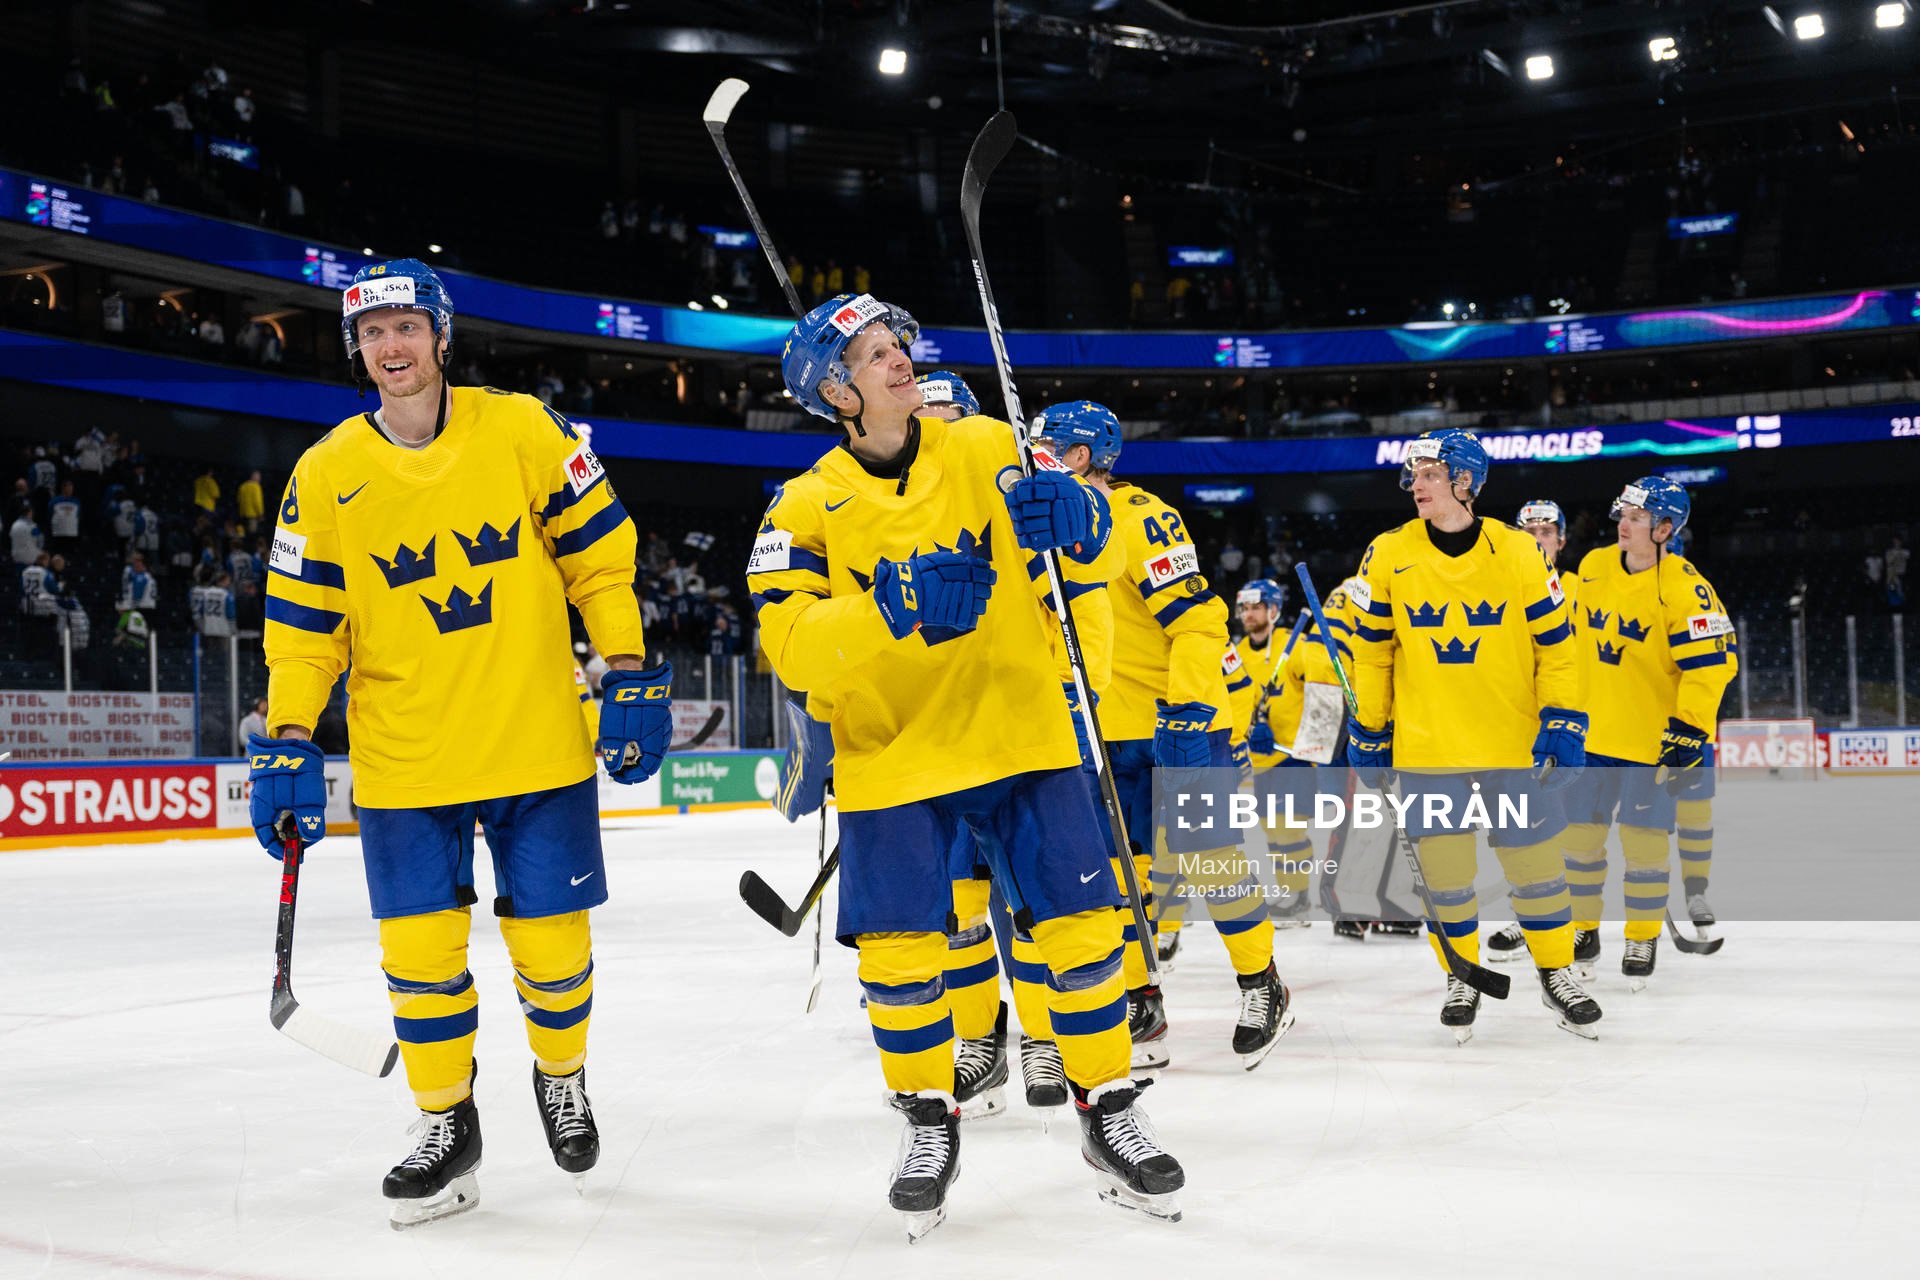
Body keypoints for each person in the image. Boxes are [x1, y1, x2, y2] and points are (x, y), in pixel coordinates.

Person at [249, 258, 672, 1229]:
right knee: (419, 959)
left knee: (555, 951)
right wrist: (284, 735)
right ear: (357, 349)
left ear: (442, 336)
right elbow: (306, 629)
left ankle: (560, 1078)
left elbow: (600, 556)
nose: (390, 347)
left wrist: (629, 665)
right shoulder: (325, 474)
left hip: (538, 748)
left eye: (405, 326)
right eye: (371, 332)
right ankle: (448, 1120)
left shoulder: (523, 428)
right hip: (405, 764)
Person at [749, 295, 1184, 1236]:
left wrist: (1079, 519)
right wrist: (885, 609)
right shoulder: (800, 507)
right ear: (834, 389)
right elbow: (788, 642)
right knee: (907, 960)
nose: (898, 360)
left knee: (1081, 932)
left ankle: (1108, 1107)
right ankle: (926, 1118)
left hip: (1019, 732)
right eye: (871, 355)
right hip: (893, 758)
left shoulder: (988, 445)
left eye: (896, 345)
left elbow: (1087, 550)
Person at [1030, 400, 1288, 1071]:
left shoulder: (1139, 516)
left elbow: (1200, 620)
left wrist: (1187, 711)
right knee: (1120, 872)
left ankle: (1263, 984)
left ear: (1080, 457)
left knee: (1211, 860)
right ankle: (1142, 994)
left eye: (1044, 446)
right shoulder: (1040, 527)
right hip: (1106, 730)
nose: (1030, 457)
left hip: (1187, 718)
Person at [1345, 431, 1598, 1042]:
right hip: (1429, 752)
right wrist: (1371, 727)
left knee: (1538, 872)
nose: (1416, 486)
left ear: (1465, 481)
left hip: (1511, 749)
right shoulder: (1386, 553)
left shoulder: (1517, 553)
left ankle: (1556, 971)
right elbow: (1373, 655)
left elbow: (1557, 650)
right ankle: (1461, 973)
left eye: (1429, 474)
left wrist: (1562, 718)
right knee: (1448, 880)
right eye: (1413, 475)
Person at [1543, 480, 1736, 988]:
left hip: (1652, 745)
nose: (1622, 523)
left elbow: (1713, 665)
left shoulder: (1687, 588)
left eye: (1636, 516)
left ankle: (1642, 934)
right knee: (1580, 843)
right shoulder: (1593, 567)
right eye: (1622, 513)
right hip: (1591, 738)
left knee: (1643, 844)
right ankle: (1583, 931)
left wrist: (1690, 729)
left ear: (1666, 528)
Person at [237, 470, 265, 534]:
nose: (260, 479)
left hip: (242, 515)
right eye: (258, 477)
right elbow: (257, 502)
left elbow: (239, 500)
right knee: (252, 534)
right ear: (253, 477)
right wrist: (260, 514)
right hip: (253, 516)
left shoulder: (243, 486)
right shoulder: (256, 487)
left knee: (243, 534)